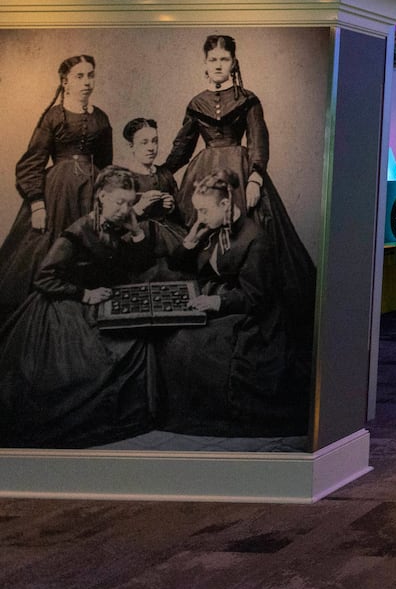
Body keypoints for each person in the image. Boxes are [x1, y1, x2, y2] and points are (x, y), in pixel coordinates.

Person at [0, 167, 174, 447]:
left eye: (130, 203)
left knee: (140, 342)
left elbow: (133, 265)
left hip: (101, 296)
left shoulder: (121, 222)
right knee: (93, 365)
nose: (125, 209)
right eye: (119, 202)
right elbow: (44, 277)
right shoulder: (79, 230)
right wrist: (83, 295)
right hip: (64, 305)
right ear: (102, 196)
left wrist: (136, 232)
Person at [160, 35, 316, 329]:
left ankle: (246, 302)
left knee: (251, 233)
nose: (218, 65)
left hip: (241, 172)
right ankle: (204, 299)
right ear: (205, 65)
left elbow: (258, 139)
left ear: (233, 63)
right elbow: (183, 145)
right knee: (200, 228)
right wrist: (162, 172)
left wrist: (255, 177)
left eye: (224, 59)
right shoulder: (196, 102)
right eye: (212, 60)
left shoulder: (247, 99)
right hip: (204, 171)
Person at [155, 170, 307, 437]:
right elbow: (178, 265)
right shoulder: (211, 227)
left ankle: (201, 414)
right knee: (170, 335)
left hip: (254, 319)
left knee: (187, 342)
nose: (199, 217)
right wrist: (190, 240)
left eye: (203, 211)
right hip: (222, 301)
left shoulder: (255, 239)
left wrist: (215, 301)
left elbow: (255, 297)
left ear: (225, 205)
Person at [0, 54, 114, 321]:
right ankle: (46, 315)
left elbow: (107, 165)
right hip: (57, 194)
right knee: (50, 251)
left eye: (90, 75)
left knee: (90, 245)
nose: (86, 82)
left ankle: (87, 309)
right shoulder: (54, 117)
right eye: (79, 76)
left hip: (91, 193)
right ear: (65, 82)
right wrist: (37, 203)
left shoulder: (100, 117)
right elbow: (31, 163)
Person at [121, 117, 179, 228]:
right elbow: (115, 222)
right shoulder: (123, 178)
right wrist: (139, 208)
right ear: (131, 146)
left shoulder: (165, 174)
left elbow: (179, 215)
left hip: (166, 234)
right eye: (144, 143)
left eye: (155, 141)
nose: (151, 148)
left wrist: (171, 207)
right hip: (135, 235)